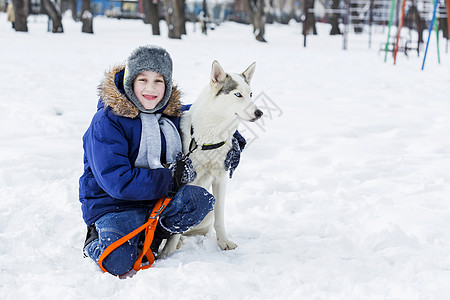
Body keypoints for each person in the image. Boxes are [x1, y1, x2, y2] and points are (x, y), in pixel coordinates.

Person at [79, 45, 245, 277]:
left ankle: (157, 233)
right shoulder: (107, 122)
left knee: (199, 200)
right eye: (143, 79)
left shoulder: (169, 114)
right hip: (115, 204)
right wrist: (171, 177)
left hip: (155, 202)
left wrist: (230, 137)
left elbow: (202, 115)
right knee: (117, 262)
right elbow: (118, 182)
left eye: (159, 81)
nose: (150, 88)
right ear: (130, 81)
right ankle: (96, 240)